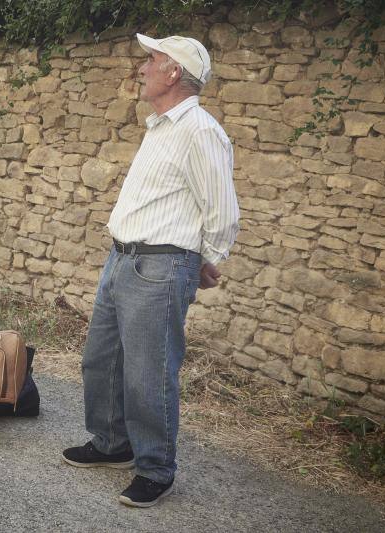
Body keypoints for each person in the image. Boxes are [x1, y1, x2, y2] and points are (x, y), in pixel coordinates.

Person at [62, 34, 240, 507]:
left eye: (152, 60)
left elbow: (222, 207)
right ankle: (111, 444)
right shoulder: (160, 126)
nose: (143, 67)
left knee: (149, 373)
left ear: (174, 72)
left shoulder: (200, 130)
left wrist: (207, 258)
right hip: (122, 257)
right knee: (100, 360)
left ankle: (156, 469)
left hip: (161, 263)